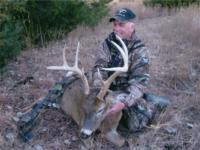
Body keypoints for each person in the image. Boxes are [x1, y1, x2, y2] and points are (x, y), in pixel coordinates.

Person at [92, 8, 161, 133]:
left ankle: (153, 104)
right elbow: (99, 68)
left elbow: (139, 83)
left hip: (124, 92)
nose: (116, 28)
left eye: (121, 25)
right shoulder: (107, 43)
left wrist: (123, 103)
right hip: (106, 89)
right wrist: (99, 89)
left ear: (132, 26)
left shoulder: (140, 50)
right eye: (115, 24)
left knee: (136, 123)